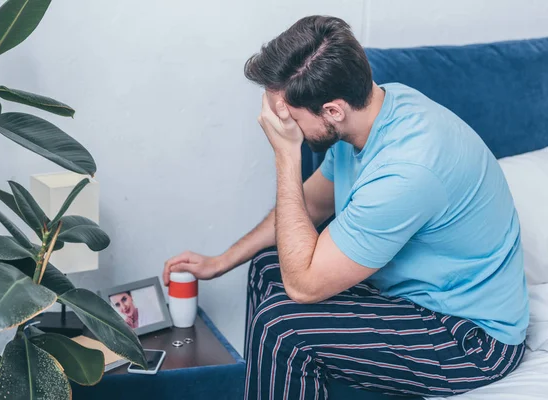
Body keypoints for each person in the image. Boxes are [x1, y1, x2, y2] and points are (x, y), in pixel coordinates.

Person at [163, 15, 529, 399]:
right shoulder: (375, 110)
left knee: (284, 327)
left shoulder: (407, 169)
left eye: (290, 117)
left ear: (334, 111)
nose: (281, 124)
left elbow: (303, 287)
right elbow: (312, 205)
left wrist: (286, 156)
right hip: (415, 301)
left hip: (471, 340)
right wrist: (220, 261)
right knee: (267, 266)